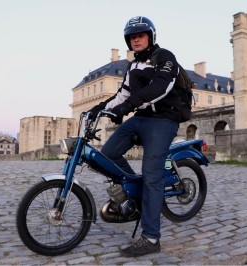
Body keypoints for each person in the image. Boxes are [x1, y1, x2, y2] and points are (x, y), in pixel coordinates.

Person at [88, 16, 182, 257]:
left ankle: (151, 238)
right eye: (132, 37)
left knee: (152, 175)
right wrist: (99, 109)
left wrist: (127, 106)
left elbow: (160, 87)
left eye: (140, 35)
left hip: (164, 119)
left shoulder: (164, 57)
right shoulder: (133, 66)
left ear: (150, 37)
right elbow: (123, 94)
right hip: (142, 118)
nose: (136, 39)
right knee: (107, 155)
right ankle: (135, 191)